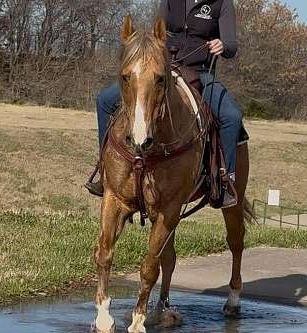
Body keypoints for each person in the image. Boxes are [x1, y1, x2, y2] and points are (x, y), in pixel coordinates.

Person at [86, 0, 249, 208]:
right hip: (163, 69)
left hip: (200, 72)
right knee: (104, 101)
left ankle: (225, 180)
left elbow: (232, 46)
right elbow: (158, 32)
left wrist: (223, 45)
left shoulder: (222, 3)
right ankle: (104, 170)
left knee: (231, 116)